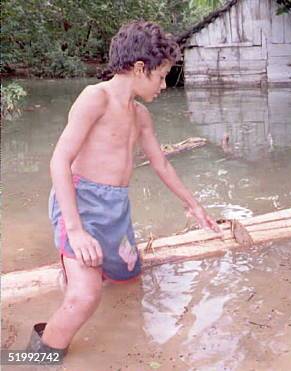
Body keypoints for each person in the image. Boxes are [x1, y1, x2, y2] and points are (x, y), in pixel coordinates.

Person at [26, 21, 221, 356]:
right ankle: (34, 357)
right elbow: (59, 160)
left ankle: (77, 270)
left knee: (129, 279)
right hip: (81, 203)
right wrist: (75, 231)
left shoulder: (141, 115)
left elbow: (162, 164)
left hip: (115, 208)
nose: (163, 86)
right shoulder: (95, 98)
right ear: (140, 68)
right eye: (161, 77)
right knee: (86, 297)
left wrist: (194, 205)